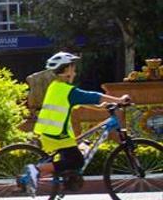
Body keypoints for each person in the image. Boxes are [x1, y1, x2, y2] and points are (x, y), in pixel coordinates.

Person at [24, 52, 130, 191]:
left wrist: (101, 107)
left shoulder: (57, 86)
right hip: (57, 133)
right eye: (73, 68)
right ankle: (36, 170)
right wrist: (119, 100)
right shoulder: (67, 90)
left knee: (72, 157)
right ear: (66, 70)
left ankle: (61, 178)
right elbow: (92, 96)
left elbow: (80, 101)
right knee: (76, 161)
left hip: (52, 131)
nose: (75, 72)